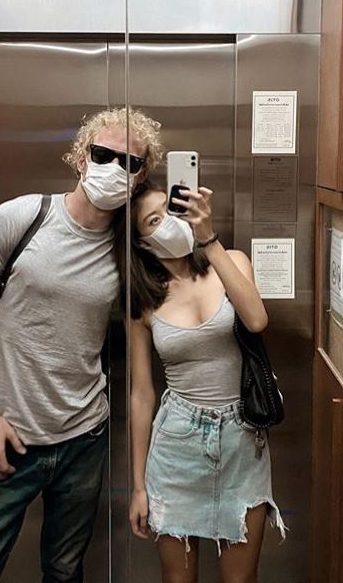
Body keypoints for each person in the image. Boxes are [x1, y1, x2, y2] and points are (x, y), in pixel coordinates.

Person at [0, 107, 163, 583]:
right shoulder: (21, 218)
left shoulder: (128, 250)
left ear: (139, 177)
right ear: (81, 157)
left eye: (129, 162)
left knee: (64, 573)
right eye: (103, 155)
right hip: (7, 436)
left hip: (84, 440)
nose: (114, 169)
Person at [116, 180, 286, 583]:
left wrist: (208, 239)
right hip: (177, 443)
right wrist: (137, 486)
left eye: (169, 210)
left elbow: (256, 319)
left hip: (242, 439)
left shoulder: (231, 261)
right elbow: (141, 394)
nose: (167, 223)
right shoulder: (142, 301)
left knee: (240, 579)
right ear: (140, 242)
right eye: (153, 221)